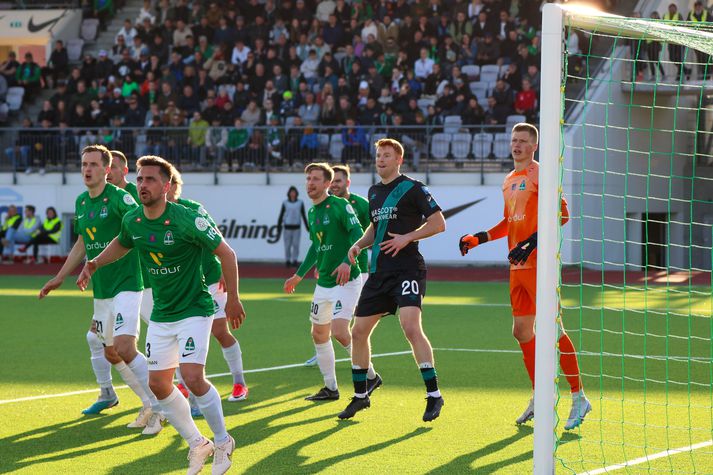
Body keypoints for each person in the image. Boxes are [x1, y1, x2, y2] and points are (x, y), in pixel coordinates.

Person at [76, 155, 244, 474]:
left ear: (166, 186)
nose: (142, 185)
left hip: (194, 308)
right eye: (139, 179)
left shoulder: (186, 219)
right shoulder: (134, 220)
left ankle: (223, 441)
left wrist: (233, 299)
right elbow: (122, 243)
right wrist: (95, 262)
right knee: (158, 384)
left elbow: (226, 252)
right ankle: (198, 443)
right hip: (162, 314)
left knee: (193, 377)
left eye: (150, 179)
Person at [458, 123, 591, 431]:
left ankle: (578, 396)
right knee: (521, 331)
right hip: (517, 267)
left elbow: (561, 215)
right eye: (513, 140)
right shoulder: (509, 179)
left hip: (540, 266)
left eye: (523, 141)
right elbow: (509, 221)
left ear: (534, 146)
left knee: (553, 331)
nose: (516, 145)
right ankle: (540, 396)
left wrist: (531, 243)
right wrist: (478, 238)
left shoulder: (541, 174)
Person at [38, 145, 162, 434]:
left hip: (128, 284)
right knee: (110, 352)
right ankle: (147, 402)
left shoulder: (121, 198)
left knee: (124, 347)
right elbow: (82, 243)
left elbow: (141, 223)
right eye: (83, 164)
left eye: (93, 164)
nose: (87, 169)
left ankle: (161, 406)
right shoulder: (82, 202)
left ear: (108, 170)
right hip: (102, 290)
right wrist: (60, 276)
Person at [337, 138, 446, 422]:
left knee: (410, 327)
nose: (381, 160)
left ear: (399, 160)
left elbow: (438, 223)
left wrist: (408, 237)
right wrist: (360, 244)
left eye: (387, 155)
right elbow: (376, 226)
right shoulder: (374, 192)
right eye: (378, 156)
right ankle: (361, 396)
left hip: (408, 269)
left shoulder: (413, 188)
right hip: (379, 272)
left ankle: (434, 395)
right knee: (358, 332)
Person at [283, 162, 366, 402]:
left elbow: (357, 233)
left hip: (346, 279)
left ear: (327, 184)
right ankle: (330, 388)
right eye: (308, 179)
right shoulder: (312, 212)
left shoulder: (340, 205)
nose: (310, 183)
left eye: (315, 179)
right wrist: (299, 274)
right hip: (324, 283)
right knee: (319, 334)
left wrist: (347, 261)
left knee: (340, 331)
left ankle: (369, 374)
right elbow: (316, 247)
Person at [166, 168, 248, 408]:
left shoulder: (193, 209)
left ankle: (239, 381)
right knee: (179, 336)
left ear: (173, 186)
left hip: (210, 280)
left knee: (220, 331)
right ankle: (183, 384)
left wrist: (223, 268)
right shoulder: (152, 215)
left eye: (169, 183)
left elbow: (217, 238)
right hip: (181, 285)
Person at [277, 185, 309, 267]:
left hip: (296, 227)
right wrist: (278, 226)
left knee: (296, 245)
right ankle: (287, 260)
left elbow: (303, 214)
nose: (292, 194)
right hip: (287, 227)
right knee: (287, 245)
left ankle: (294, 260)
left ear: (296, 193)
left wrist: (307, 227)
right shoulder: (285, 203)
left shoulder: (300, 203)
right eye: (291, 192)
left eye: (294, 192)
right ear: (289, 193)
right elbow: (281, 215)